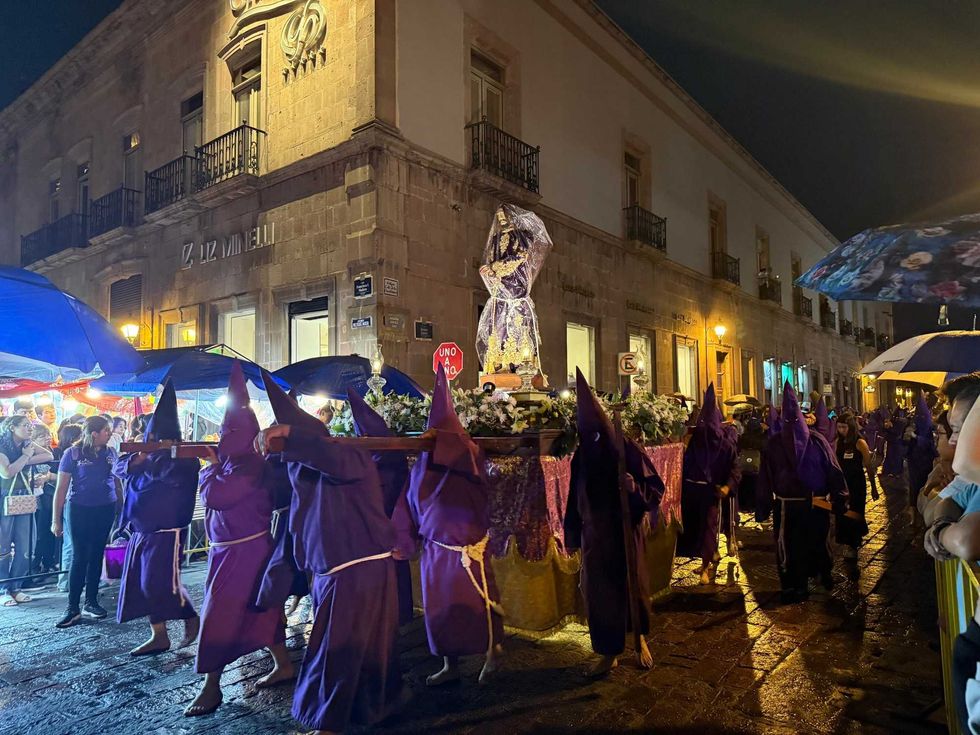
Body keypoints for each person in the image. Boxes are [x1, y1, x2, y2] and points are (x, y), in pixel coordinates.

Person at [259, 372, 402, 734]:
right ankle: (371, 709)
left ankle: (329, 724)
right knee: (361, 650)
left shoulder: (350, 457)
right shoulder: (305, 463)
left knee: (338, 652)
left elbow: (334, 460)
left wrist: (292, 436)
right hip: (335, 570)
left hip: (356, 569)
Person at [185, 362, 293, 717]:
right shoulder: (237, 462)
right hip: (229, 551)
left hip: (246, 552)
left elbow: (218, 496)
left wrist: (210, 468)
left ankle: (212, 685)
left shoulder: (249, 466)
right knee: (257, 609)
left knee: (227, 613)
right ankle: (281, 664)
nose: (221, 437)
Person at [392, 364, 504, 685]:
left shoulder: (467, 456)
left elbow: (469, 462)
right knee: (440, 611)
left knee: (481, 603)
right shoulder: (422, 466)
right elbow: (408, 502)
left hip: (468, 551)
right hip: (436, 553)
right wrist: (405, 538)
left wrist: (444, 440)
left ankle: (493, 652)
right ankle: (449, 663)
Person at [563, 368, 664, 676]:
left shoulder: (625, 448)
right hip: (596, 536)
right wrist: (572, 535)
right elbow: (573, 497)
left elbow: (655, 489)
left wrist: (633, 488)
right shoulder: (583, 456)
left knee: (634, 587)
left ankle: (640, 639)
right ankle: (608, 651)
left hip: (625, 532)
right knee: (601, 596)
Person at [114, 380, 200, 655]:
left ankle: (189, 616)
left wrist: (158, 456)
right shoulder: (141, 457)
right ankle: (159, 635)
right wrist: (137, 460)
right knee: (140, 584)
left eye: (154, 439)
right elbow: (118, 467)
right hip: (140, 529)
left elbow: (172, 478)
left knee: (157, 582)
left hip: (167, 531)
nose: (149, 444)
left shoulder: (184, 458)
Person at [759, 382, 848, 602]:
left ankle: (819, 573)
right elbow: (766, 477)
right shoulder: (776, 445)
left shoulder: (812, 441)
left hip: (813, 504)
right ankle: (795, 584)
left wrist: (839, 499)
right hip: (788, 507)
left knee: (815, 542)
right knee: (790, 546)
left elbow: (833, 470)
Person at [347, 388, 413, 624]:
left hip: (390, 528)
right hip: (369, 534)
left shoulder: (391, 457)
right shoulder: (363, 458)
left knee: (394, 583)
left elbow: (400, 496)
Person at [51, 416, 122, 627]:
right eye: (106, 431)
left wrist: (123, 507)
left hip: (106, 508)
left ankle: (91, 601)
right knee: (80, 556)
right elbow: (61, 488)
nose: (110, 434)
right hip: (80, 509)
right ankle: (72, 607)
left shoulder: (111, 453)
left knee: (97, 554)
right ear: (94, 433)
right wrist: (56, 520)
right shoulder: (72, 453)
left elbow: (117, 482)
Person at [677, 384, 740, 584]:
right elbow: (686, 463)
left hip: (711, 494)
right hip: (692, 492)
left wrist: (727, 487)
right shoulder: (695, 441)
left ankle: (706, 567)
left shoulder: (726, 445)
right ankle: (708, 558)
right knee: (695, 530)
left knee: (709, 529)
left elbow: (734, 469)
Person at [0, 415, 54, 605]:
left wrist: (24, 459)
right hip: (4, 497)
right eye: (25, 425)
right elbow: (6, 472)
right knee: (3, 545)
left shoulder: (28, 444)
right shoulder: (2, 445)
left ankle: (16, 586)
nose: (29, 429)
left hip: (24, 497)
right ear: (12, 427)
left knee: (26, 544)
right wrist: (25, 456)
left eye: (30, 425)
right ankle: (3, 589)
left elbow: (49, 455)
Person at [834, 414, 878, 559]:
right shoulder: (838, 443)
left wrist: (874, 487)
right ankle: (846, 542)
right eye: (839, 427)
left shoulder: (860, 443)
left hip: (856, 484)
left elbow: (869, 465)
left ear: (851, 427)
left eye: (844, 427)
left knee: (855, 513)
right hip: (843, 484)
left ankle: (854, 544)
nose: (841, 430)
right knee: (843, 514)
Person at [907, 391, 939, 514]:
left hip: (926, 462)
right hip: (914, 462)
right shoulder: (912, 424)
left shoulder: (930, 428)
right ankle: (913, 515)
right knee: (913, 488)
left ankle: (923, 510)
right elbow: (904, 443)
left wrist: (916, 437)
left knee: (924, 486)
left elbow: (930, 444)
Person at [736, 415, 768, 522]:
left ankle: (744, 505)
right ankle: (753, 505)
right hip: (757, 466)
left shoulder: (743, 437)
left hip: (744, 466)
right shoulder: (761, 438)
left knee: (744, 485)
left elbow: (738, 449)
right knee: (755, 487)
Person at [881, 408, 909, 480]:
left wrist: (891, 427)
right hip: (892, 442)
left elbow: (898, 432)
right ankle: (891, 471)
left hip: (897, 442)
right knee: (891, 456)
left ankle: (896, 472)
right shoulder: (895, 421)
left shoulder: (901, 422)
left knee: (897, 458)